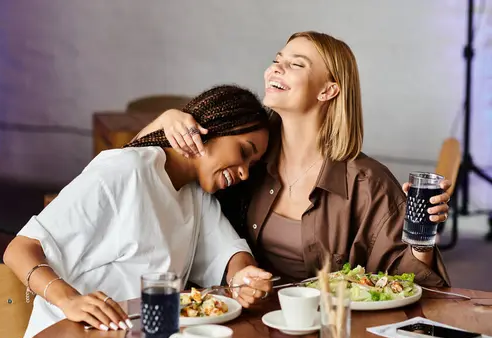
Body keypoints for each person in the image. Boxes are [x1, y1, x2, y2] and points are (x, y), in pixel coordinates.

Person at [133, 32, 452, 287]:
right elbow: (139, 174)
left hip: (323, 331)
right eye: (276, 60)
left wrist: (421, 244)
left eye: (296, 64)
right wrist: (166, 122)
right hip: (236, 321)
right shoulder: (245, 153)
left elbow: (412, 284)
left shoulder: (367, 183)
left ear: (328, 91)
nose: (274, 68)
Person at [3, 85, 274, 338]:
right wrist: (68, 300)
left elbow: (229, 253)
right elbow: (20, 249)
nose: (245, 173)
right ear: (212, 127)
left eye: (252, 165)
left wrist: (244, 277)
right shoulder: (126, 171)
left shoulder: (195, 195)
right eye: (243, 151)